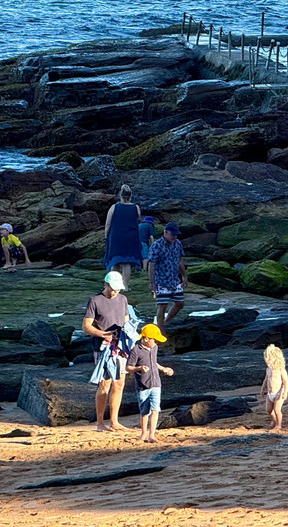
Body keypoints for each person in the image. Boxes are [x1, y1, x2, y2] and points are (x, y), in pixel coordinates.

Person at [82, 271, 130, 432]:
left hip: (121, 347)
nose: (115, 291)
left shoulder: (122, 299)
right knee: (104, 385)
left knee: (119, 384)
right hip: (102, 348)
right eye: (113, 288)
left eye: (118, 289)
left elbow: (126, 322)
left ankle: (115, 422)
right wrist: (103, 334)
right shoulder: (95, 301)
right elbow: (86, 326)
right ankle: (100, 423)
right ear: (106, 284)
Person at [126, 323, 173, 443]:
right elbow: (128, 367)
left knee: (156, 408)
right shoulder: (136, 350)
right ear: (146, 339)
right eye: (155, 340)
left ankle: (152, 434)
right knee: (144, 411)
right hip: (143, 385)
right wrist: (139, 368)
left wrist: (163, 369)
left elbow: (154, 362)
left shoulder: (154, 348)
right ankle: (143, 434)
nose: (156, 343)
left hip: (156, 383)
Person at [103, 184, 143, 289]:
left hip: (117, 237)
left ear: (120, 195)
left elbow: (108, 224)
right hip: (131, 237)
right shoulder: (136, 207)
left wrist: (106, 236)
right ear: (131, 196)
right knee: (127, 262)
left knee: (115, 261)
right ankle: (125, 286)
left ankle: (111, 285)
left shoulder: (114, 207)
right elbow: (138, 220)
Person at [147, 222, 186, 329]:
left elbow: (180, 260)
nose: (175, 236)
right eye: (173, 234)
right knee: (162, 306)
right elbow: (151, 264)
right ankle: (159, 330)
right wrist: (152, 283)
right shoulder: (157, 245)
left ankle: (166, 321)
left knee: (180, 303)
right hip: (161, 281)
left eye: (176, 234)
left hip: (174, 279)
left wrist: (184, 276)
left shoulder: (177, 243)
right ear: (165, 232)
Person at [262, 344, 288, 431]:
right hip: (270, 393)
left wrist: (285, 392)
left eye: (268, 358)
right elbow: (266, 379)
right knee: (269, 410)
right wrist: (263, 389)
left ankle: (279, 424)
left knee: (277, 409)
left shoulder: (281, 369)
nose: (266, 360)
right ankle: (274, 420)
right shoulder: (268, 369)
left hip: (279, 392)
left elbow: (286, 382)